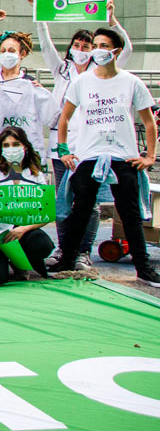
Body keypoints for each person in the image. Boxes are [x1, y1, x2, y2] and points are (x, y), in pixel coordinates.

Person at [52, 28, 160, 285]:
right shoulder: (81, 82)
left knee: (129, 214)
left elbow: (149, 121)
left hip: (124, 157)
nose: (98, 50)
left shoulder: (131, 82)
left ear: (116, 51)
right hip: (89, 156)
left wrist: (150, 157)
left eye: (104, 45)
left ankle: (143, 268)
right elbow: (64, 118)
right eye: (95, 45)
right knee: (80, 211)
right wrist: (64, 150)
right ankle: (67, 260)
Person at [0, 13, 59, 166]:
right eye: (3, 51)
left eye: (11, 50)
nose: (7, 54)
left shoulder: (31, 85)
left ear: (22, 54)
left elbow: (55, 118)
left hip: (23, 155)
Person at [0, 127, 55, 283]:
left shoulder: (35, 173)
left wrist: (23, 229)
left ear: (25, 146)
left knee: (42, 244)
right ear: (0, 149)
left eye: (16, 144)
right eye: (6, 145)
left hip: (21, 231)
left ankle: (21, 263)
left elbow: (46, 213)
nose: (11, 149)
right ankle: (1, 259)